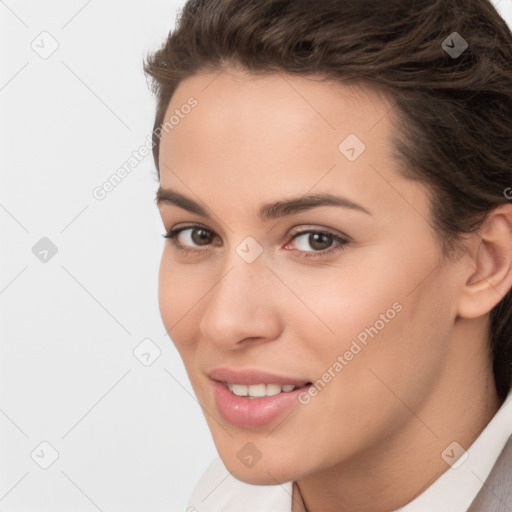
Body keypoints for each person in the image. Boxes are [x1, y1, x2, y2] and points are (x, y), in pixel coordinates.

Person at [143, 0, 512, 510]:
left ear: (485, 261)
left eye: (316, 239)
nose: (225, 322)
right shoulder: (222, 499)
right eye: (196, 235)